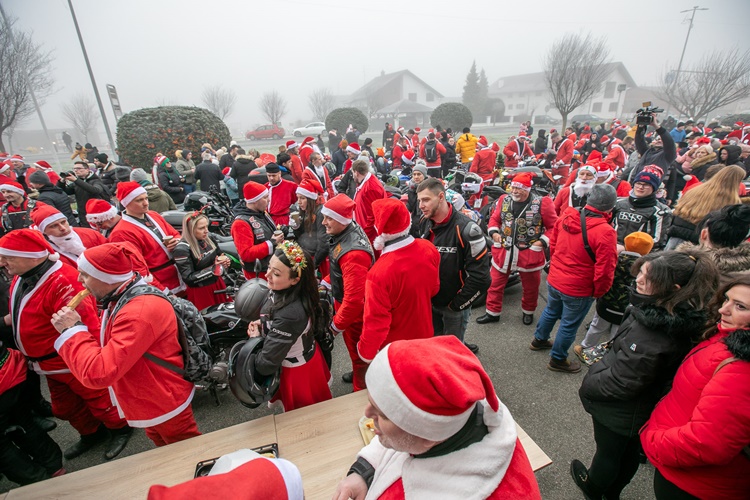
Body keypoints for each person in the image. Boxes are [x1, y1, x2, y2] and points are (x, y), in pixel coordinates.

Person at [573, 249, 719, 500]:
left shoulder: (654, 332)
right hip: (643, 408)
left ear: (672, 287)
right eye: (641, 271)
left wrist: (589, 384)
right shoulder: (675, 314)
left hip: (623, 409)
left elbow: (622, 382)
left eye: (647, 277)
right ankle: (613, 492)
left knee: (608, 453)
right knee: (627, 452)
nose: (638, 279)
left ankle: (594, 489)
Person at [332, 336, 542, 500]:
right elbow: (402, 437)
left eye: (384, 414)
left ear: (427, 436)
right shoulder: (453, 419)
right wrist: (363, 472)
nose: (367, 414)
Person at [51, 243, 201, 447]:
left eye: (85, 274)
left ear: (106, 276)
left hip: (162, 397)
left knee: (186, 451)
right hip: (152, 395)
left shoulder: (137, 312)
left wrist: (72, 332)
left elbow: (99, 372)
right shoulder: (122, 296)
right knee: (164, 446)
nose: (79, 280)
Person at [0, 230, 132, 460]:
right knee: (65, 408)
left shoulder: (63, 280)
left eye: (7, 256)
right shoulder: (22, 276)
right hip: (48, 364)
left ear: (30, 256)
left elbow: (87, 322)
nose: (2, 262)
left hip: (68, 360)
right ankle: (91, 433)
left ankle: (120, 428)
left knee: (100, 400)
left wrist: (92, 358)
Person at [640, 275, 750, 499]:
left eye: (740, 306)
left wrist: (654, 442)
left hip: (693, 483)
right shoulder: (728, 336)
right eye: (726, 299)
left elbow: (706, 443)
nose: (723, 310)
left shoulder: (741, 369)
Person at [532, 184, 618, 373]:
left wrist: (556, 267)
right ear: (610, 207)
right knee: (569, 324)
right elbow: (605, 269)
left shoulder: (567, 215)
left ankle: (539, 339)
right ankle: (558, 359)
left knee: (551, 310)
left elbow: (553, 245)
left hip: (555, 278)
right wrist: (599, 291)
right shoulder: (606, 231)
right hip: (578, 287)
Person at [245, 241, 332, 412]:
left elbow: (266, 364)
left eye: (276, 273)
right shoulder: (293, 291)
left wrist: (255, 340)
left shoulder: (290, 314)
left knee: (303, 420)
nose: (267, 275)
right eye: (269, 267)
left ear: (295, 280)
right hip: (302, 358)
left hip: (297, 373)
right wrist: (264, 325)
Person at [357, 198, 440, 363]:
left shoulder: (378, 274)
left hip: (396, 349)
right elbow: (434, 289)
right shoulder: (428, 248)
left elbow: (376, 323)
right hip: (425, 334)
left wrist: (365, 352)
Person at [416, 178, 490, 354]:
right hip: (429, 302)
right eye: (419, 200)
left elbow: (482, 278)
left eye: (426, 200)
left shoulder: (468, 229)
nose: (421, 205)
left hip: (453, 307)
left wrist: (457, 305)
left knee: (451, 354)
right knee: (434, 348)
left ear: (441, 197)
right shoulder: (424, 221)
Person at [479, 172, 557, 326]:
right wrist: (494, 232)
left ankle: (528, 312)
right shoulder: (503, 199)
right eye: (513, 187)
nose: (514, 191)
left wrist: (541, 243)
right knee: (494, 284)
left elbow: (554, 227)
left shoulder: (543, 203)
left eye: (518, 188)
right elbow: (495, 219)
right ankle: (492, 312)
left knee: (531, 287)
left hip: (529, 253)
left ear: (527, 189)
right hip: (504, 251)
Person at [320, 194, 375, 390]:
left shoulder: (352, 254)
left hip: (354, 315)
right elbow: (340, 270)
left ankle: (360, 390)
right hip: (347, 305)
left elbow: (353, 302)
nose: (324, 222)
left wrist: (334, 327)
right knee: (356, 352)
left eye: (329, 218)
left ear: (341, 220)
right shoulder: (347, 232)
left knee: (358, 351)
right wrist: (326, 283)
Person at [575, 231, 654, 357]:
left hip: (606, 303)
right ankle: (610, 354)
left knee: (596, 327)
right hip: (626, 309)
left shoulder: (613, 258)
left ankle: (585, 348)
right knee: (617, 332)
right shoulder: (647, 270)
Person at [0, 342, 65, 485]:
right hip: (9, 367)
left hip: (5, 375)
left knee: (2, 445)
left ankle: (38, 481)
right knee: (22, 420)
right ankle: (54, 466)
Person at [109, 182, 184, 294]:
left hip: (179, 274)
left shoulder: (154, 215)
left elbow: (175, 234)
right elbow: (137, 270)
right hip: (161, 283)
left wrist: (176, 241)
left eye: (146, 198)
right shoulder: (121, 232)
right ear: (126, 203)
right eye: (139, 200)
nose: (146, 203)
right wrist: (162, 291)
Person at [666, 165, 745, 249]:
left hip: (676, 234)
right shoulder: (731, 201)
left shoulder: (696, 189)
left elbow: (678, 209)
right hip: (698, 241)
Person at [173, 213, 231, 311]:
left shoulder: (209, 239)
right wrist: (213, 269)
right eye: (201, 228)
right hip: (200, 292)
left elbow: (220, 255)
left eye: (206, 227)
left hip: (218, 284)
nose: (206, 231)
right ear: (191, 230)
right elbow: (188, 278)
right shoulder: (182, 249)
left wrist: (225, 262)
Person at [232, 181, 282, 280]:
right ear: (255, 201)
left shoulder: (262, 212)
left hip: (270, 267)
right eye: (265, 197)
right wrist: (271, 243)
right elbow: (246, 254)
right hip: (258, 274)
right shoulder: (240, 223)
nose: (269, 200)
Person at [30, 203, 106, 269]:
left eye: (63, 222)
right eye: (54, 226)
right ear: (43, 231)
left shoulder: (90, 234)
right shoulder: (42, 253)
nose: (62, 228)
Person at [612, 167, 672, 251]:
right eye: (638, 183)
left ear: (654, 188)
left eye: (646, 185)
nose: (640, 187)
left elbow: (657, 240)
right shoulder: (618, 202)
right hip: (611, 247)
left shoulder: (661, 211)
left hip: (638, 254)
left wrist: (627, 248)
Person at [623, 113, 677, 186]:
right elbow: (639, 141)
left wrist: (656, 126)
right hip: (635, 184)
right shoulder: (648, 151)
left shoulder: (668, 155)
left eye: (661, 140)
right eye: (657, 139)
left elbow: (669, 142)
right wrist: (641, 126)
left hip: (650, 186)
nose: (659, 140)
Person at [58, 161, 110, 225]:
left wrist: (76, 180)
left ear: (87, 170)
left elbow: (96, 190)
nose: (76, 171)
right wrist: (61, 182)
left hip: (96, 212)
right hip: (83, 213)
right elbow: (66, 191)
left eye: (79, 168)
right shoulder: (77, 182)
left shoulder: (95, 180)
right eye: (74, 169)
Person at [291, 178, 327, 270]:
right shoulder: (304, 210)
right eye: (298, 197)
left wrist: (313, 265)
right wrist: (296, 227)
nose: (299, 202)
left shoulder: (320, 213)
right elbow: (302, 236)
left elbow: (323, 244)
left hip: (317, 259)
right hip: (307, 254)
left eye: (302, 198)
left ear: (311, 199)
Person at [351, 159, 386, 247]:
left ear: (356, 172)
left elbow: (373, 216)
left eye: (352, 173)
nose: (352, 176)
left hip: (370, 237)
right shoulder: (365, 184)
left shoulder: (370, 188)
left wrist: (365, 235)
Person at [405, 164, 428, 235]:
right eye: (414, 174)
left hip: (426, 220)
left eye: (419, 174)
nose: (416, 177)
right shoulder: (411, 188)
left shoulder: (428, 188)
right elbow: (410, 206)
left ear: (424, 175)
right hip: (414, 221)